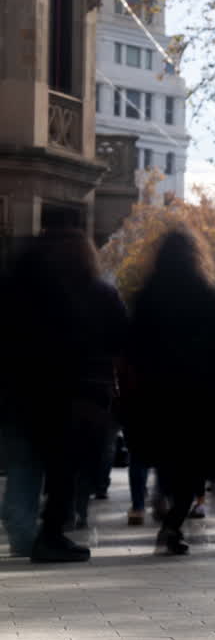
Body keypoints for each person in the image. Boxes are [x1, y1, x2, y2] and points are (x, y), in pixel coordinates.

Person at [2, 229, 128, 562]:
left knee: (26, 464)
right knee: (65, 471)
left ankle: (22, 530)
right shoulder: (101, 294)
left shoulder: (27, 293)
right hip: (81, 396)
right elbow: (121, 345)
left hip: (29, 394)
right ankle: (51, 533)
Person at [125, 226, 215, 556]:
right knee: (192, 464)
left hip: (157, 395)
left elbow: (132, 344)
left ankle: (165, 498)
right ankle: (175, 520)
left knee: (166, 458)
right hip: (198, 395)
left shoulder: (146, 296)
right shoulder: (206, 295)